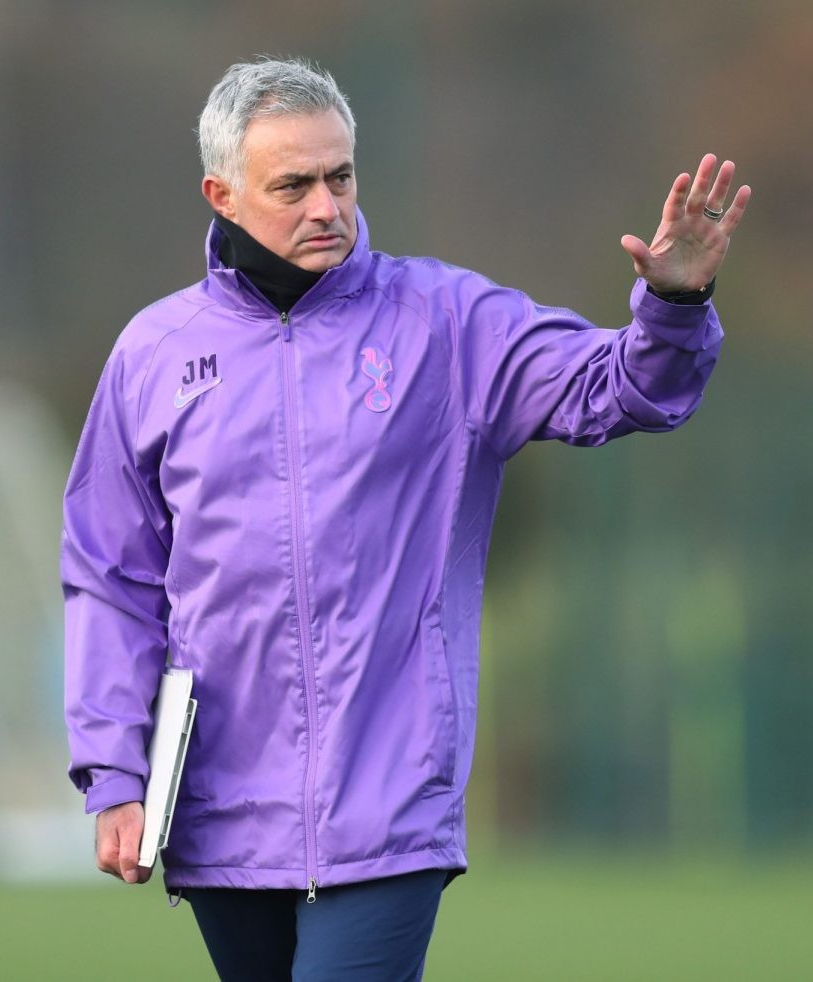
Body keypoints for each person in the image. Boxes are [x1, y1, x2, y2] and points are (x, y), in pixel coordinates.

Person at [62, 57, 750, 980]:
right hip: (221, 808)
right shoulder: (154, 353)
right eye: (293, 185)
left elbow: (619, 388)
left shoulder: (447, 322)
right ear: (220, 195)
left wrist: (673, 304)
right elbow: (110, 574)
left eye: (340, 177)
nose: (326, 207)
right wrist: (114, 774)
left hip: (388, 802)